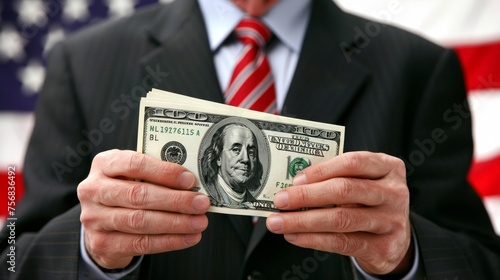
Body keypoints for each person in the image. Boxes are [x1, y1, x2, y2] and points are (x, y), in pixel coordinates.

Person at [1, 0, 500, 279]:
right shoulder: (84, 63)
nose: (243, 156)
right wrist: (89, 252)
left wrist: (406, 255)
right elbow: (13, 259)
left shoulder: (416, 68)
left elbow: (481, 265)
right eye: (232, 148)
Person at [200, 122, 264, 208]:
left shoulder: (254, 202)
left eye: (251, 152)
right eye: (236, 149)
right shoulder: (202, 194)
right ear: (219, 158)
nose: (246, 159)